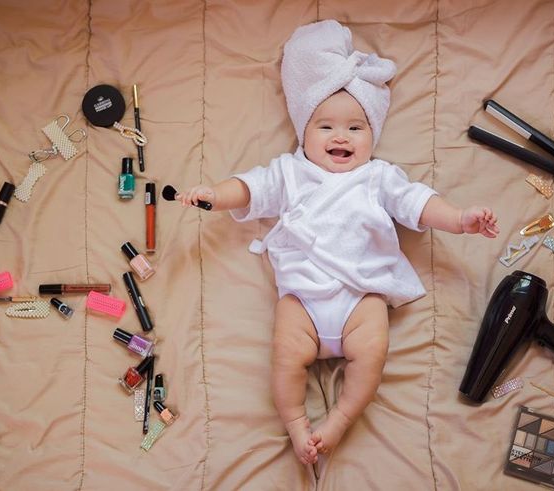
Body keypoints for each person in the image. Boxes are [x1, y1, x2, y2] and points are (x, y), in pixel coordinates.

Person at [175, 20, 499, 465]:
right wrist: (215, 196)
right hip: (302, 300)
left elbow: (417, 203)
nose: (340, 137)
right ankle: (295, 424)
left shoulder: (378, 177)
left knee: (373, 353)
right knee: (285, 357)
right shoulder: (290, 173)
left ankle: (340, 419)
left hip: (359, 298)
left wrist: (459, 219)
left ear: (373, 136)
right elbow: (251, 188)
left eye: (355, 128)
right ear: (303, 132)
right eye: (325, 127)